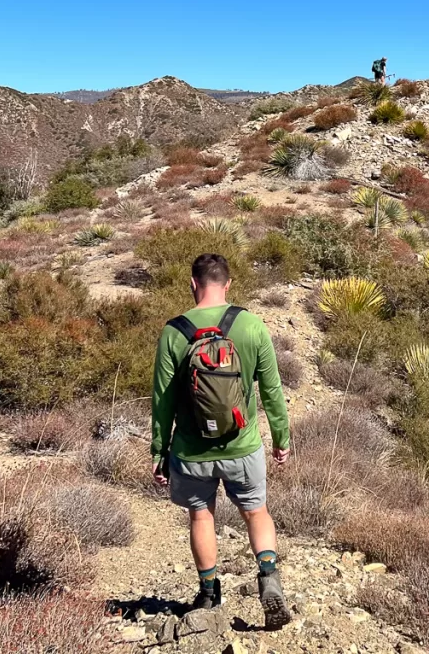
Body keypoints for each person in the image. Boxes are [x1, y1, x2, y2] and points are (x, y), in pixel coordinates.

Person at [151, 253, 293, 630]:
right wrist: (281, 438)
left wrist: (159, 452)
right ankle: (268, 578)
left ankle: (209, 594)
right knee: (256, 512)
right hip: (243, 447)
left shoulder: (173, 332)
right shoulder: (250, 325)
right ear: (228, 285)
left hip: (191, 451)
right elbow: (273, 392)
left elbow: (162, 401)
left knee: (202, 516)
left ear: (192, 283)